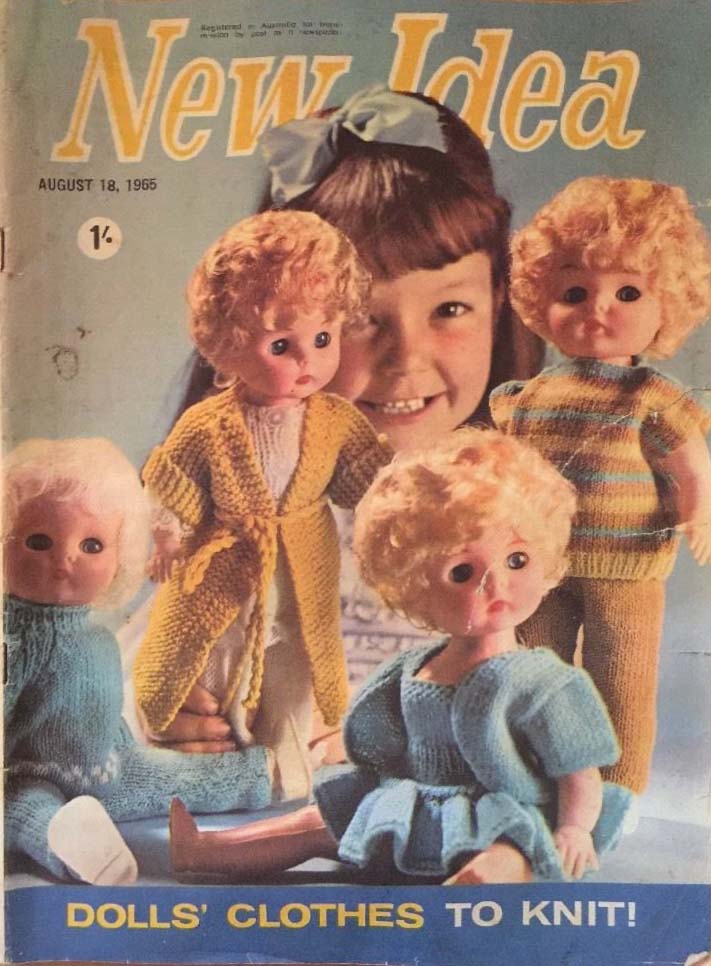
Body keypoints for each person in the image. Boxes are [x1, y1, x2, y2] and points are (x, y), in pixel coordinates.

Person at [121, 87, 543, 754]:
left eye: (449, 310)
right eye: (358, 319)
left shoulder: (524, 507)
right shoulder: (251, 498)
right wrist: (159, 711)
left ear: (499, 299)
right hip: (270, 782)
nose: (407, 357)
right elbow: (142, 649)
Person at [169, 429, 631, 884]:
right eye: (462, 572)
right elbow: (377, 744)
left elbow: (578, 770)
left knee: (509, 851)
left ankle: (472, 894)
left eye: (517, 560)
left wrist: (575, 828)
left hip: (502, 812)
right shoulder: (413, 670)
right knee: (317, 821)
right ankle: (206, 850)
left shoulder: (543, 684)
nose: (496, 585)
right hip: (413, 807)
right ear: (414, 587)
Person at [132, 210, 391, 800]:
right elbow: (172, 483)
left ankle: (288, 773)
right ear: (227, 348)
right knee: (206, 662)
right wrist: (168, 536)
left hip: (302, 575)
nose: (307, 362)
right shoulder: (207, 423)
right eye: (281, 345)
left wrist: (395, 498)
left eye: (322, 340)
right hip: (223, 571)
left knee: (297, 666)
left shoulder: (334, 421)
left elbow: (366, 481)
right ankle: (219, 766)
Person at [490, 176, 711, 794]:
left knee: (623, 679)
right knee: (533, 672)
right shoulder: (530, 397)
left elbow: (691, 465)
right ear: (540, 300)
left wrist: (698, 514)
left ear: (669, 305)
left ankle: (618, 788)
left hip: (627, 564)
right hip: (540, 564)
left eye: (628, 292)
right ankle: (536, 777)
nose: (598, 308)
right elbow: (508, 474)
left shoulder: (651, 397)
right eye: (575, 292)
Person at [3, 438, 274, 884]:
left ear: (121, 557)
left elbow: (106, 716)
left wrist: (130, 752)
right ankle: (81, 848)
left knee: (180, 775)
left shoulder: (97, 637)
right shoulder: (13, 640)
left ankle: (259, 774)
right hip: (33, 775)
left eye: (92, 545)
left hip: (109, 768)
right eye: (38, 542)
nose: (64, 559)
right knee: (24, 809)